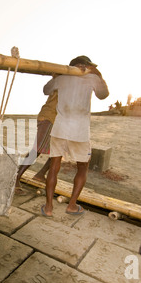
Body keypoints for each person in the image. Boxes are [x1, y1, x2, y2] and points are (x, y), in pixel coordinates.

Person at [41, 56, 109, 217]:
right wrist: (98, 74)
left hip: (60, 128)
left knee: (54, 166)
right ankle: (71, 205)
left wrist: (57, 77)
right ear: (86, 66)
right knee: (83, 167)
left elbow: (45, 90)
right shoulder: (91, 77)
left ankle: (49, 207)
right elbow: (103, 95)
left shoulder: (63, 78)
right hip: (79, 131)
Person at [14, 90, 58, 195]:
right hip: (50, 118)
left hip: (56, 120)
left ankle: (41, 174)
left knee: (57, 152)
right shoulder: (63, 80)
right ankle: (16, 178)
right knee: (37, 149)